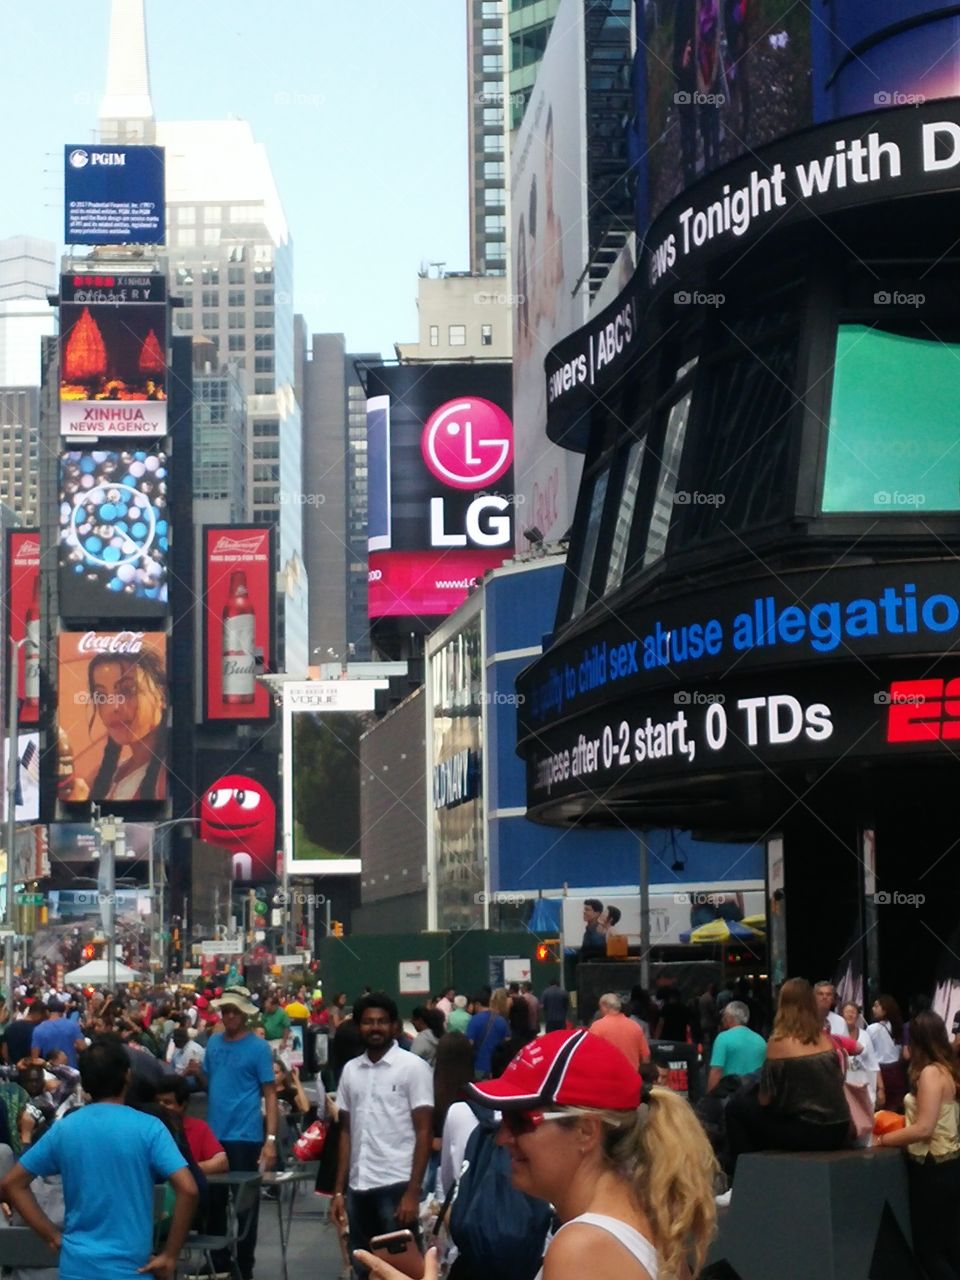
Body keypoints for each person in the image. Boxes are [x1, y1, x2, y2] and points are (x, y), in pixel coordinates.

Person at [356, 1028, 717, 1280]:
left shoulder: (583, 1245)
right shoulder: (641, 1211)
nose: (502, 1138)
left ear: (586, 1131)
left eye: (519, 1120)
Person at [1, 1040, 198, 1280]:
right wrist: (170, 1254)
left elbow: (13, 1183)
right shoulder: (150, 1128)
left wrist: (51, 1235)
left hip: (77, 1267)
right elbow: (188, 1189)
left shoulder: (65, 1129)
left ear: (86, 1082)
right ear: (127, 1076)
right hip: (132, 1269)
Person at [331, 993, 434, 1278]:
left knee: (399, 1271)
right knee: (363, 1268)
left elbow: (424, 1131)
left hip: (396, 1187)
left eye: (381, 1022)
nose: (374, 1028)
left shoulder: (413, 1068)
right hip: (358, 1188)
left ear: (394, 1027)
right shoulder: (351, 1071)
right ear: (359, 1027)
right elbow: (346, 1132)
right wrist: (339, 1190)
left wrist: (413, 1193)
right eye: (367, 1022)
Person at [725, 978, 852, 1176]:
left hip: (810, 1132)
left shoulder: (778, 1042)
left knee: (736, 1107)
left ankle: (743, 1179)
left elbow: (765, 1099)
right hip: (840, 1127)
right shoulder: (825, 1039)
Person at [194, 985, 277, 1280]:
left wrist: (270, 1140)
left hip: (246, 1136)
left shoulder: (258, 1048)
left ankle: (244, 1263)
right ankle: (219, 1260)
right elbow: (211, 1083)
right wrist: (196, 1073)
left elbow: (270, 1094)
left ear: (244, 1014)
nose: (228, 1015)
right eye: (224, 1010)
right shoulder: (214, 1044)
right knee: (213, 1202)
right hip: (215, 1133)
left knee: (245, 1206)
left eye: (233, 1011)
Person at [874, 1010, 960, 1275]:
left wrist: (883, 1138)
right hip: (947, 1167)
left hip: (933, 1168)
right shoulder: (945, 1071)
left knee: (929, 1252)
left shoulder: (931, 1074)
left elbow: (924, 1128)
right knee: (948, 1249)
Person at [59, 650, 167, 803]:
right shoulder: (100, 777)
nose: (112, 707)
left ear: (161, 695)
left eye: (127, 690)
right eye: (101, 696)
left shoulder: (166, 777)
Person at [156, 1074, 228, 1175]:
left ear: (183, 1105)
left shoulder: (199, 1128)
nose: (161, 1107)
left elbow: (221, 1162)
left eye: (167, 1102)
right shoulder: (147, 1129)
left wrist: (183, 1172)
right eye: (157, 1102)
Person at [707, 1000, 766, 1092]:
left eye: (724, 1016)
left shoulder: (723, 1038)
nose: (722, 1019)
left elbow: (716, 1071)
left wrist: (710, 1097)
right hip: (754, 1095)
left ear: (729, 1018)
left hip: (730, 1095)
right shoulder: (760, 1040)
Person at [841, 1001, 884, 1114]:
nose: (850, 1015)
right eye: (847, 1012)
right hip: (845, 1087)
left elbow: (873, 1063)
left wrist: (881, 1088)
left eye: (853, 1012)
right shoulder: (837, 1035)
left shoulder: (865, 1035)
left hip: (865, 1086)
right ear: (841, 1015)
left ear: (858, 1016)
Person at [589, 993, 650, 1070]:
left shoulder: (597, 1027)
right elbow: (646, 1058)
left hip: (607, 1077)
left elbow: (590, 1055)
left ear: (604, 1007)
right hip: (630, 1078)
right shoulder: (635, 1026)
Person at [466, 992, 509, 1081]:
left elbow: (469, 1044)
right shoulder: (501, 1020)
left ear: (477, 1004)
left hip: (479, 1066)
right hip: (498, 1067)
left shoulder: (474, 1020)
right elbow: (507, 1042)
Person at [31, 999, 84, 1069]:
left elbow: (35, 1057)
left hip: (50, 1071)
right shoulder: (73, 1025)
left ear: (47, 1012)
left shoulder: (39, 1029)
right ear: (62, 1012)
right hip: (71, 1069)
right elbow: (82, 1047)